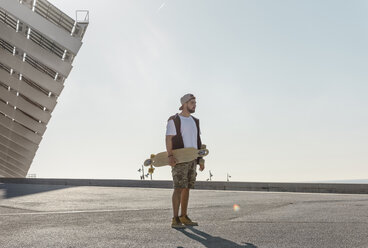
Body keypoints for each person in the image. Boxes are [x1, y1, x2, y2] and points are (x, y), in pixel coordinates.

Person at [166, 93, 205, 229]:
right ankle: (175, 218)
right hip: (179, 159)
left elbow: (198, 141)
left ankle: (184, 216)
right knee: (178, 188)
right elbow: (168, 138)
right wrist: (170, 156)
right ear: (184, 104)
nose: (194, 105)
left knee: (187, 188)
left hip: (192, 159)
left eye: (195, 103)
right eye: (192, 103)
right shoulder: (174, 120)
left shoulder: (195, 121)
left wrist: (200, 160)